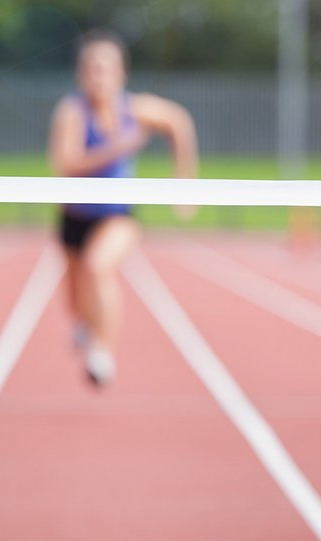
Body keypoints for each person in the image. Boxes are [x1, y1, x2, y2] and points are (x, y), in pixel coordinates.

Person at [48, 29, 198, 386]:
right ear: (81, 73)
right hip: (74, 215)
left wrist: (185, 184)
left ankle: (103, 352)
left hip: (117, 215)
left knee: (98, 267)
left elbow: (180, 123)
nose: (98, 74)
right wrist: (116, 148)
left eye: (105, 67)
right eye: (91, 67)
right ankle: (87, 325)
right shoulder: (72, 111)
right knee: (74, 304)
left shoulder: (137, 108)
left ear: (121, 73)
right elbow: (65, 164)